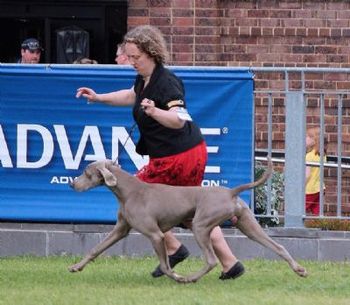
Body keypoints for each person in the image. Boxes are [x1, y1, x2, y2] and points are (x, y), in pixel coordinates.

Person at [76, 25, 244, 280]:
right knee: (192, 210)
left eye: (136, 58)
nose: (132, 62)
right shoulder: (144, 79)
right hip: (174, 154)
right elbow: (131, 96)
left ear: (151, 53)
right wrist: (99, 97)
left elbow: (179, 119)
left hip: (181, 156)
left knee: (140, 202)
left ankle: (176, 249)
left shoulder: (167, 83)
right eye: (129, 57)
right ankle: (229, 263)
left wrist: (155, 112)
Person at [305, 126, 327, 215]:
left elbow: (307, 175)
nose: (305, 139)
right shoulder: (322, 155)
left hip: (310, 189)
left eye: (308, 137)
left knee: (299, 209)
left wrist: (299, 186)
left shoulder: (309, 156)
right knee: (317, 211)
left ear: (314, 140)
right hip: (320, 188)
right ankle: (320, 226)